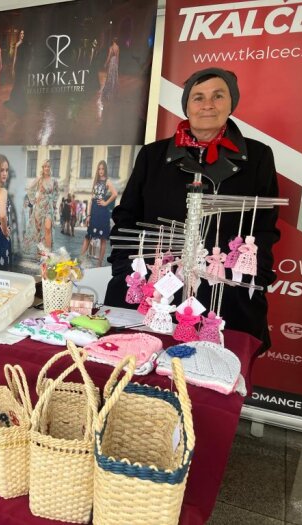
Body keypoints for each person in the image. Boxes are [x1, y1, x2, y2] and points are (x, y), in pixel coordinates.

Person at [104, 68, 280, 352]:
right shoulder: (153, 155)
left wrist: (253, 279)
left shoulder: (258, 157)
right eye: (198, 97)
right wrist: (125, 268)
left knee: (217, 364)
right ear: (187, 106)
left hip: (224, 292)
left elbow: (264, 226)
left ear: (231, 103)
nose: (207, 104)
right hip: (155, 287)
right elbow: (127, 217)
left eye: (218, 96)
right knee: (138, 359)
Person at [80, 160, 117, 266]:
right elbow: (91, 199)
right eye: (99, 169)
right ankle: (80, 259)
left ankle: (99, 263)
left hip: (102, 213)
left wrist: (106, 203)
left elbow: (115, 194)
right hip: (94, 212)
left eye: (102, 169)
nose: (101, 171)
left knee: (103, 239)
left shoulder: (107, 181)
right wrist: (88, 215)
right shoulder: (96, 181)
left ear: (105, 169)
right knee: (88, 236)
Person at [23, 159, 58, 254]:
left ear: (50, 168)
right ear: (43, 168)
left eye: (48, 166)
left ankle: (48, 253)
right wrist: (33, 199)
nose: (47, 168)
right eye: (45, 166)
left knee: (48, 228)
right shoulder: (39, 179)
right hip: (39, 208)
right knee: (38, 231)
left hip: (49, 208)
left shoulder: (54, 180)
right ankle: (39, 253)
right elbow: (30, 189)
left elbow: (56, 193)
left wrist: (54, 203)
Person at [4, 29, 29, 114]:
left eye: (23, 33)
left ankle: (20, 100)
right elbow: (15, 57)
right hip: (18, 66)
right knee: (18, 82)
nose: (22, 35)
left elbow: (27, 56)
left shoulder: (25, 44)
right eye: (21, 33)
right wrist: (13, 68)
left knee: (21, 83)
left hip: (23, 66)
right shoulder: (17, 44)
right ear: (19, 34)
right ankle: (16, 100)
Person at [101, 37, 119, 102]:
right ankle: (112, 90)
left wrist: (106, 63)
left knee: (109, 76)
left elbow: (109, 56)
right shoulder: (117, 47)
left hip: (111, 62)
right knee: (114, 76)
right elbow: (117, 57)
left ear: (113, 41)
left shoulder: (111, 47)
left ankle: (107, 92)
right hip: (115, 63)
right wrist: (117, 65)